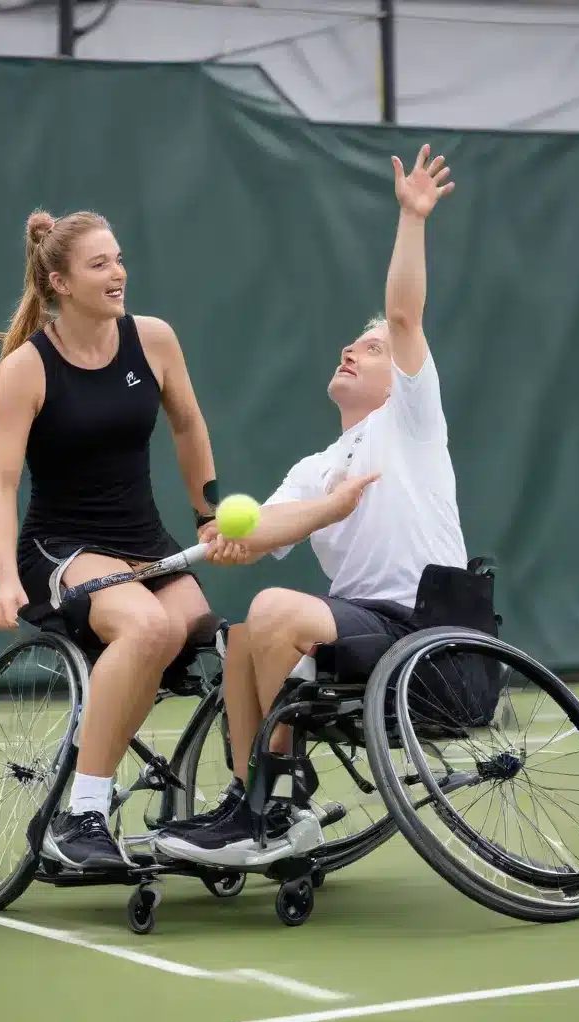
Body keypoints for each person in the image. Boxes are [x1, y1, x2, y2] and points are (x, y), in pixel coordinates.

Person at [155, 145, 467, 864]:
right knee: (241, 634)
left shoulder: (412, 422)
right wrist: (237, 539)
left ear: (401, 375)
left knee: (272, 609)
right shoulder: (317, 467)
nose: (350, 353)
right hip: (361, 631)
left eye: (370, 350)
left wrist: (412, 219)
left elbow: (402, 312)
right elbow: (263, 532)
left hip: (428, 632)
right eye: (351, 345)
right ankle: (250, 803)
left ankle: (285, 803)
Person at [0, 209, 222, 871]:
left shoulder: (154, 340)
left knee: (215, 638)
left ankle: (249, 810)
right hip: (62, 546)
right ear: (59, 283)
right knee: (150, 630)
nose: (119, 273)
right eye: (100, 264)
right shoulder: (28, 369)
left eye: (118, 259)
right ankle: (83, 814)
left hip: (145, 542)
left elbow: (188, 427)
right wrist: (8, 578)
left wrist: (207, 513)